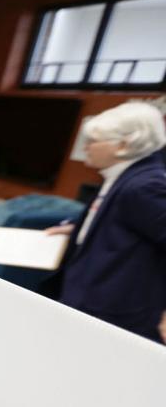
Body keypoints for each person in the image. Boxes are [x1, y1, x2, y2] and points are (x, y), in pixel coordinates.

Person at [46, 102, 166, 342]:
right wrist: (81, 228)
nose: (86, 147)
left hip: (112, 314)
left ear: (123, 146)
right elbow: (127, 221)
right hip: (88, 299)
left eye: (93, 140)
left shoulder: (145, 186)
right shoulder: (124, 173)